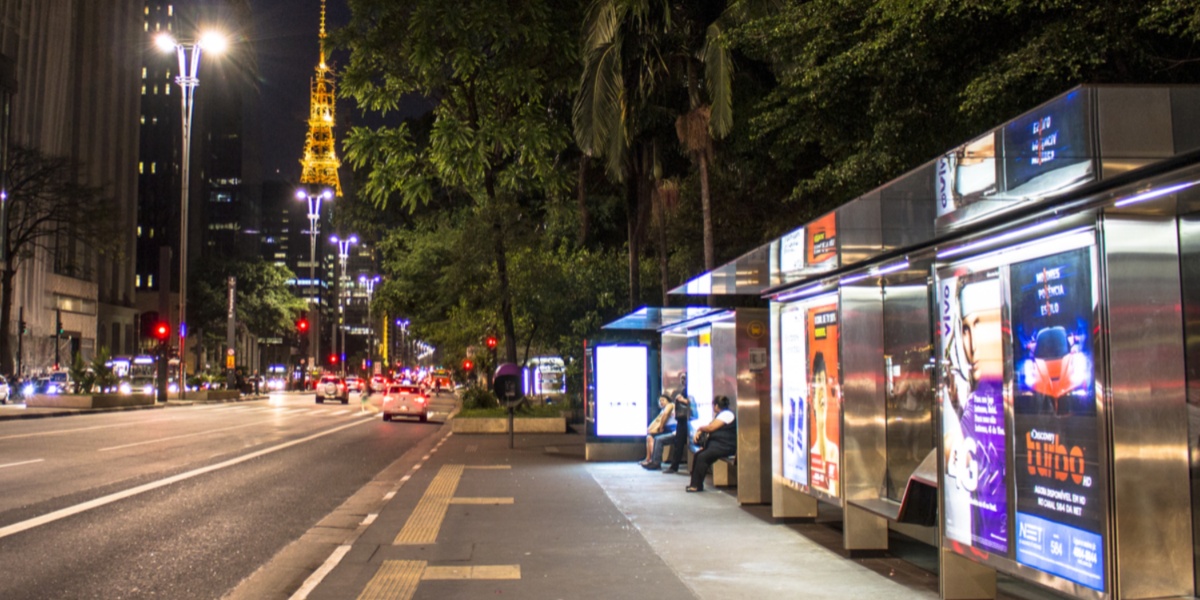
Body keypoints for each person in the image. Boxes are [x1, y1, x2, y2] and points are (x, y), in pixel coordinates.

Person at [687, 395, 737, 492]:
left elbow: (711, 428)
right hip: (718, 445)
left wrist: (700, 428)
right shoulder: (721, 415)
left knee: (702, 457)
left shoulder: (726, 414)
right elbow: (710, 426)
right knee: (698, 455)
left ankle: (696, 485)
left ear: (717, 406)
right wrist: (700, 431)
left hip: (725, 445)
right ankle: (695, 484)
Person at [663, 372, 691, 474]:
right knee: (678, 443)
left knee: (679, 443)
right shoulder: (684, 390)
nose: (682, 381)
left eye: (684, 378)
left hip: (686, 420)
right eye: (681, 379)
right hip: (682, 419)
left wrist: (682, 400)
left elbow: (690, 403)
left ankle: (674, 466)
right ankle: (674, 465)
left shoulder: (690, 390)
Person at [641, 394, 676, 469]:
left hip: (673, 431)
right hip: (667, 430)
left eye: (663, 400)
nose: (661, 402)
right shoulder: (662, 410)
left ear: (668, 400)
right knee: (649, 437)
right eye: (660, 401)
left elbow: (665, 415)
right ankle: (649, 459)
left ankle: (656, 462)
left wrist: (661, 426)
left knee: (658, 439)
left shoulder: (670, 405)